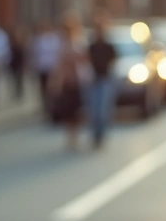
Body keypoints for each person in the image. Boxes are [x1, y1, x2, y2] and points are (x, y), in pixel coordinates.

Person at [49, 15, 87, 150]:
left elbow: (84, 60)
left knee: (77, 111)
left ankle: (75, 136)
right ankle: (70, 136)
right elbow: (59, 65)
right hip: (66, 83)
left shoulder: (78, 43)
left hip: (77, 81)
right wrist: (56, 82)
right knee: (68, 111)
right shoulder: (61, 45)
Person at [85, 14, 117, 149]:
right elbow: (86, 61)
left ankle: (101, 133)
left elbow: (113, 61)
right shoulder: (91, 46)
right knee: (94, 109)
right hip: (93, 79)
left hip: (105, 79)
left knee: (103, 109)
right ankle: (95, 134)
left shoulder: (108, 46)